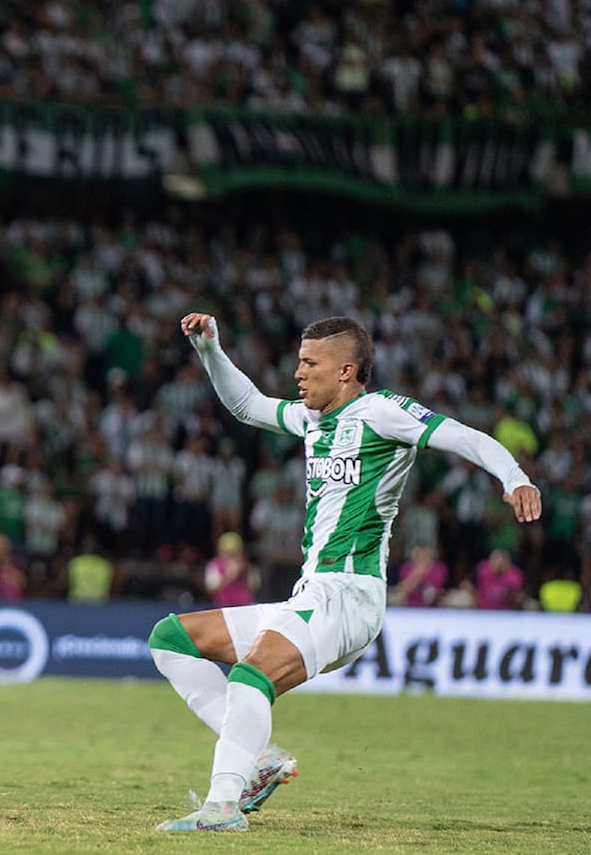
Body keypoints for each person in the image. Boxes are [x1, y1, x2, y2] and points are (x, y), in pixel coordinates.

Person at [149, 312, 541, 832]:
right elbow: (246, 405)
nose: (299, 373)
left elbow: (466, 438)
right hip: (310, 595)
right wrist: (210, 351)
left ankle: (222, 807)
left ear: (347, 371)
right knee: (170, 638)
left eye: (310, 363)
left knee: (251, 676)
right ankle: (260, 759)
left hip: (349, 596)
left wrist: (514, 477)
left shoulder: (381, 411)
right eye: (299, 362)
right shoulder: (311, 418)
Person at [203, 532, 257, 608]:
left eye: (234, 553)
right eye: (228, 553)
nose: (231, 557)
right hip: (222, 608)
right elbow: (211, 590)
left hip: (244, 607)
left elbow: (253, 588)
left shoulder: (246, 566)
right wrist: (230, 576)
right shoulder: (214, 566)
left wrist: (246, 572)